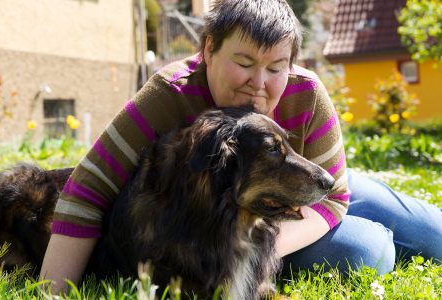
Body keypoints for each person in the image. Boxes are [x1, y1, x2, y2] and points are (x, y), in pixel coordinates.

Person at [40, 0, 442, 293]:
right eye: (245, 63)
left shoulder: (306, 92)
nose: (260, 82)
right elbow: (88, 188)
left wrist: (249, 255)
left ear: (291, 65)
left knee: (432, 235)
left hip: (312, 186)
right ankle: (382, 239)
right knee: (367, 252)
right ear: (209, 49)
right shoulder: (170, 92)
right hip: (244, 210)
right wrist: (51, 291)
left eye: (276, 68)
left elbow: (334, 197)